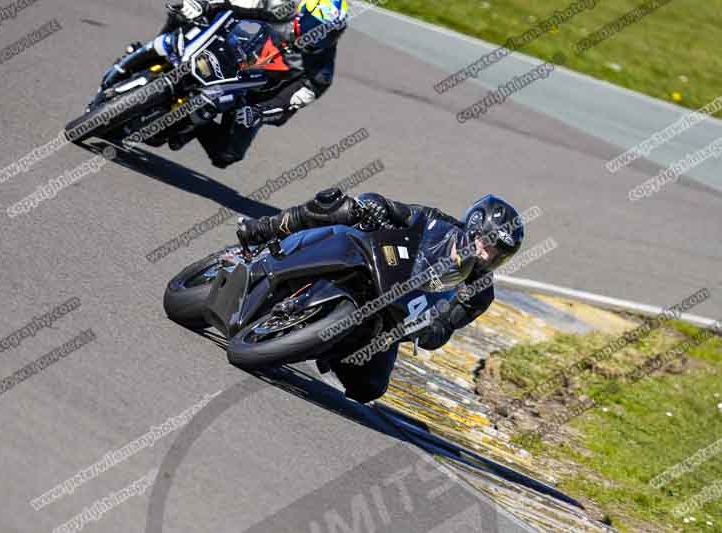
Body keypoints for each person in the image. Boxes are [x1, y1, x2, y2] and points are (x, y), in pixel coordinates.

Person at [236, 188, 525, 403]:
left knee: (369, 389)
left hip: (390, 318)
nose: (488, 256)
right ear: (475, 226)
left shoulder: (479, 293)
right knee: (340, 206)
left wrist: (427, 332)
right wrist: (374, 207)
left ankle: (313, 342)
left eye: (498, 255)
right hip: (371, 266)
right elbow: (394, 209)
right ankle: (264, 229)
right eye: (488, 245)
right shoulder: (436, 222)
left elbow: (445, 329)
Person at [98, 0, 348, 168]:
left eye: (329, 33)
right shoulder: (284, 10)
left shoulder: (321, 73)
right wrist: (205, 5)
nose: (318, 36)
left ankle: (191, 126)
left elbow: (287, 104)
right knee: (184, 10)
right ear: (301, 14)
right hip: (227, 52)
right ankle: (145, 52)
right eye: (315, 27)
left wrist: (259, 113)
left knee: (226, 155)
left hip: (248, 94)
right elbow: (237, 9)